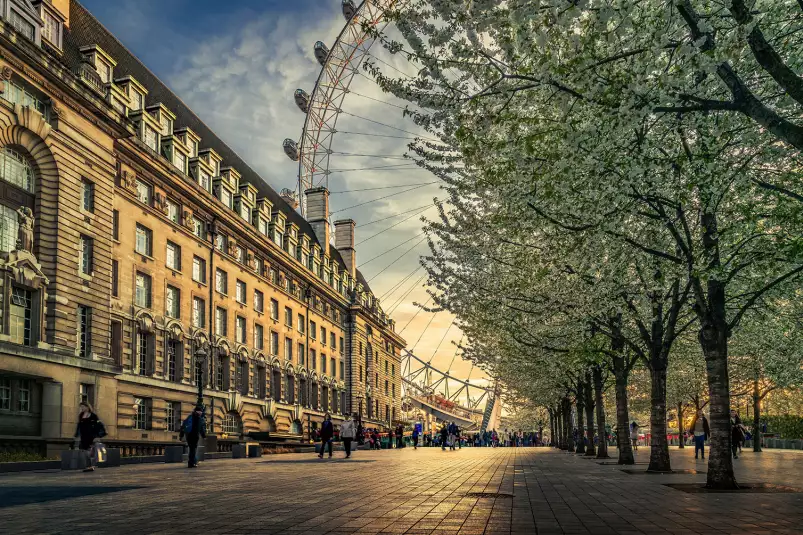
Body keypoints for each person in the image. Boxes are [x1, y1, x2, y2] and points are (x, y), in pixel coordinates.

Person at [73, 401, 106, 472]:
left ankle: (91, 466)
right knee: (85, 451)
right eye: (81, 407)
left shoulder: (93, 416)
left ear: (87, 407)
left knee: (90, 452)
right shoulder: (81, 415)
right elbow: (79, 426)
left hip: (92, 436)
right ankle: (89, 466)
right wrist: (77, 434)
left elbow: (99, 425)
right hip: (84, 436)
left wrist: (98, 436)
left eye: (83, 407)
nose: (82, 408)